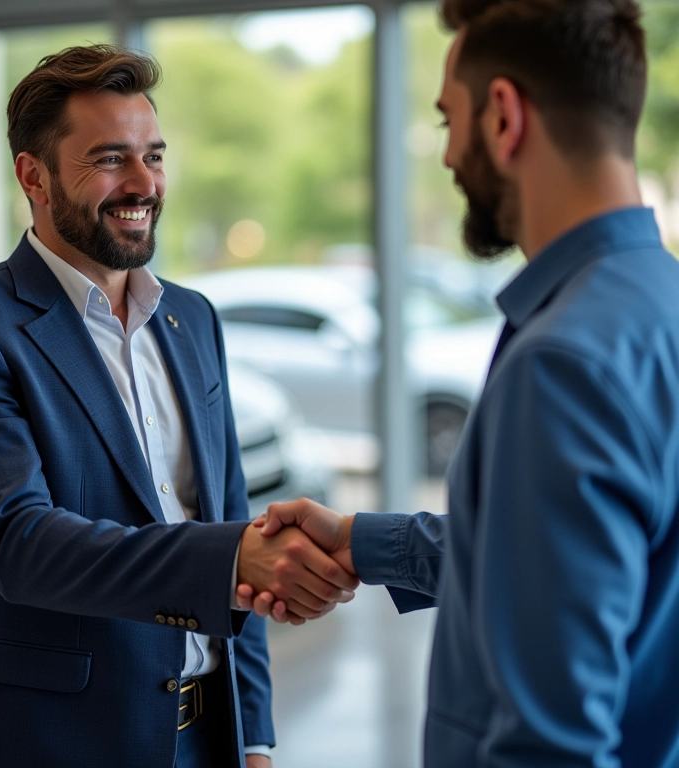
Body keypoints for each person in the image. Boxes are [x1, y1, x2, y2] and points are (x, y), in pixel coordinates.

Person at [239, 0, 679, 765]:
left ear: (503, 116)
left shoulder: (562, 362)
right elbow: (557, 567)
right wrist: (363, 542)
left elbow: (551, 747)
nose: (445, 156)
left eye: (449, 120)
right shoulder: (659, 302)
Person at [0, 45, 359, 768]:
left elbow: (231, 517)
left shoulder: (193, 318)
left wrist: (254, 736)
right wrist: (228, 560)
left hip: (207, 734)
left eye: (154, 156)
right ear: (34, 176)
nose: (144, 183)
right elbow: (19, 545)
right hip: (52, 743)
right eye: (110, 159)